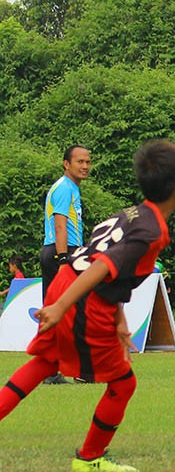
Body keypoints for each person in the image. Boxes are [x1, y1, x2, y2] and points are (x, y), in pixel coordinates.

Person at [0, 139, 175, 472]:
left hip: (68, 282)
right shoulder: (152, 231)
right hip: (81, 298)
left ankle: (90, 457)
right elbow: (103, 266)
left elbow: (111, 269)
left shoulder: (131, 213)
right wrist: (61, 307)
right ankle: (89, 458)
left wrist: (119, 320)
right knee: (123, 383)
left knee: (46, 362)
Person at [38, 145, 92, 385]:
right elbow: (60, 225)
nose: (85, 166)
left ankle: (52, 371)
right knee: (76, 309)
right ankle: (81, 371)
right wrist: (63, 260)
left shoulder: (72, 188)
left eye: (88, 162)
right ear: (66, 164)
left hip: (66, 252)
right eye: (80, 162)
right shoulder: (64, 188)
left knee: (63, 310)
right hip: (61, 253)